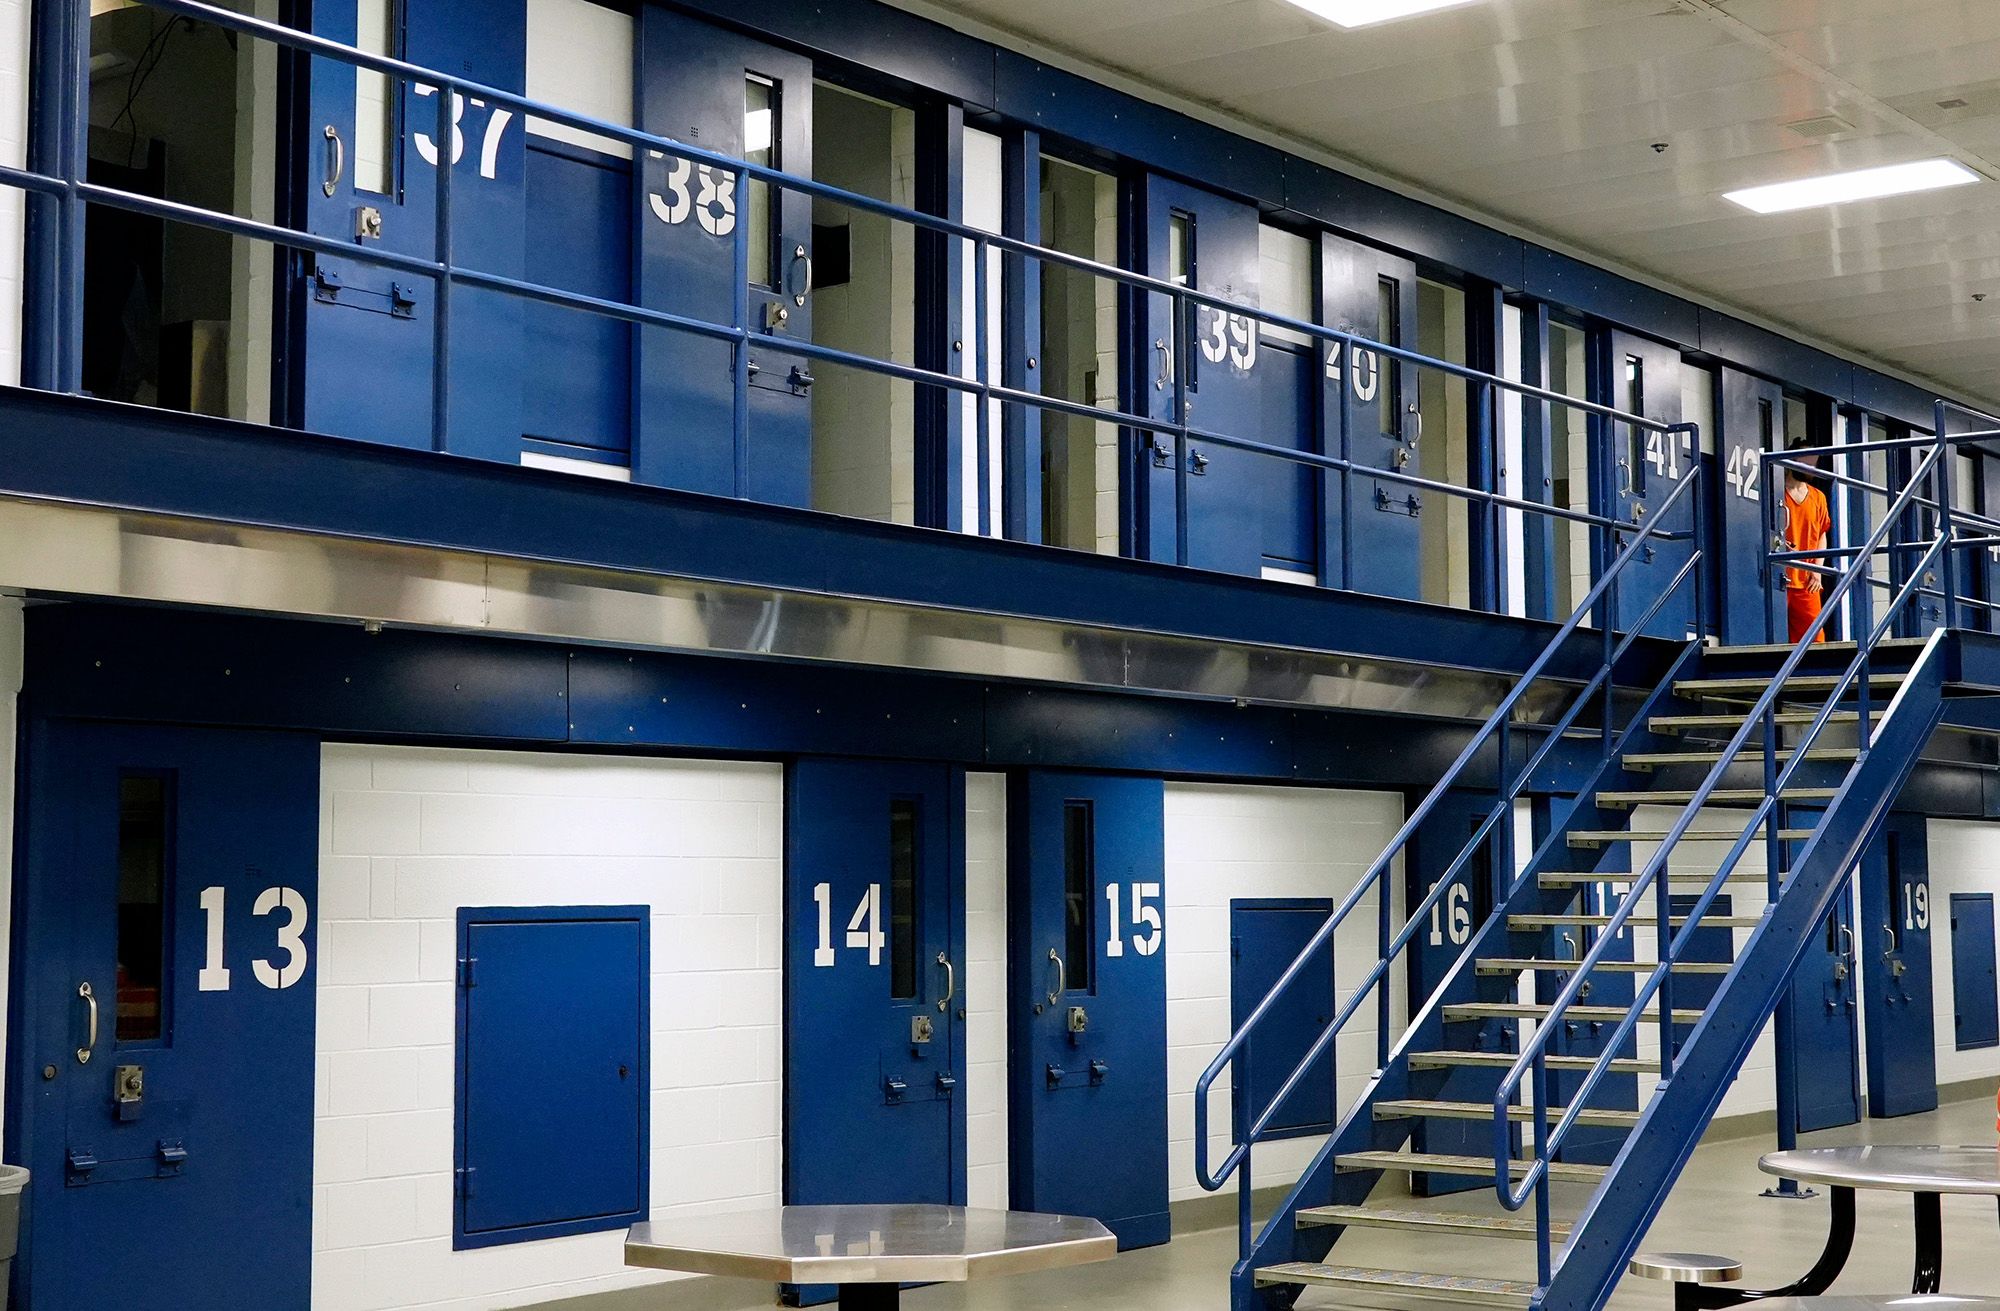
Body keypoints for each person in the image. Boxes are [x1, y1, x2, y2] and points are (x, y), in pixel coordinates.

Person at [1784, 452, 1832, 644]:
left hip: (1807, 579)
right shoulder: (1776, 493)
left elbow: (1822, 534)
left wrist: (1817, 571)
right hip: (1780, 577)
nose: (1809, 467)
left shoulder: (1818, 497)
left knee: (1815, 638)